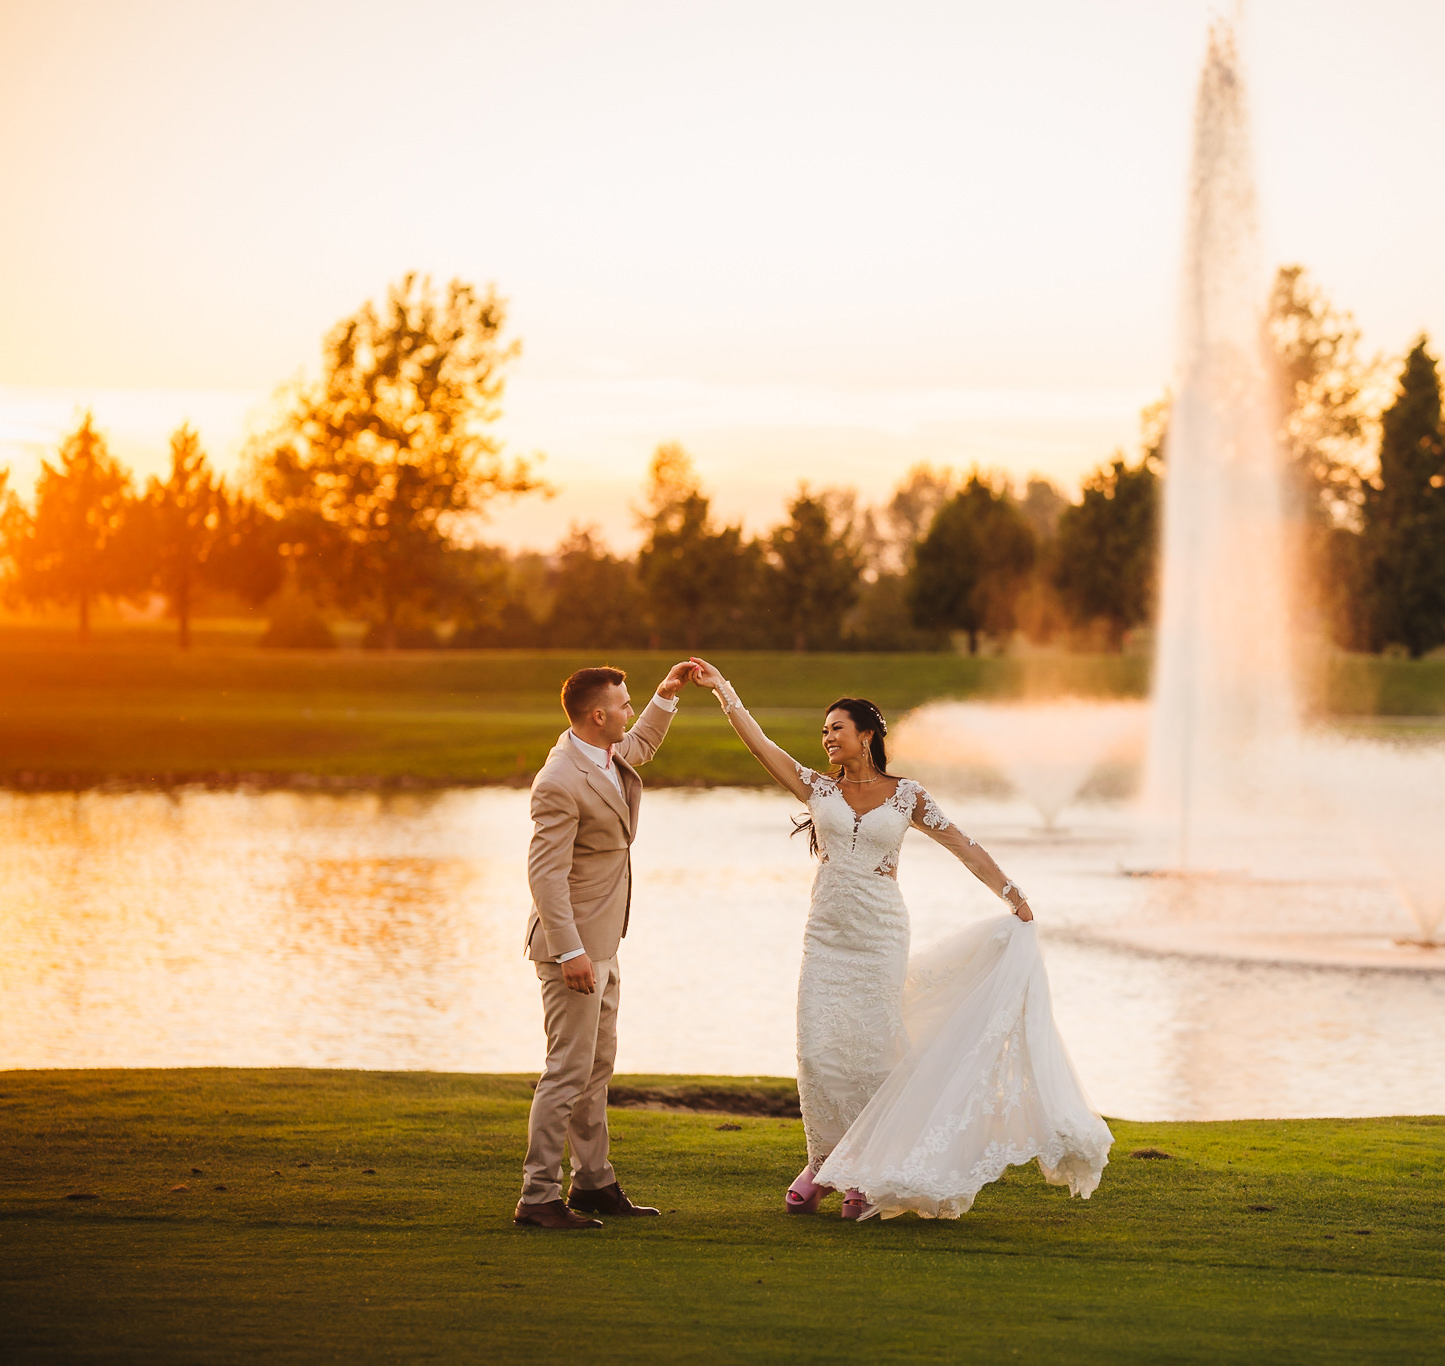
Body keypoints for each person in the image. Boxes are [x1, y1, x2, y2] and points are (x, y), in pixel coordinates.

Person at [687, 657, 1112, 1220]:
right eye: (823, 730)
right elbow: (761, 745)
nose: (826, 737)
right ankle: (822, 1161)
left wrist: (1011, 893)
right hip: (827, 936)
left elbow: (963, 844)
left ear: (866, 736)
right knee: (818, 1055)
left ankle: (860, 1170)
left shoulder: (907, 795)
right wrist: (724, 692)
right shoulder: (816, 787)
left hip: (881, 935)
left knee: (871, 1057)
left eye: (836, 727)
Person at [514, 661, 696, 1231]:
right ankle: (538, 1196)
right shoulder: (560, 779)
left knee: (597, 1068)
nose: (630, 710)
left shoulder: (602, 753)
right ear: (598, 715)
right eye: (625, 703)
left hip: (605, 939)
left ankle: (592, 1184)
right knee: (566, 1071)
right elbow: (544, 875)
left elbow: (639, 745)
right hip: (573, 949)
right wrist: (570, 953)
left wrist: (667, 695)